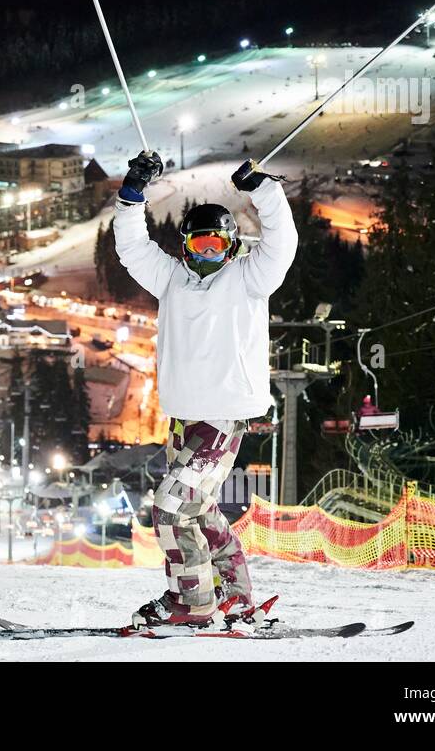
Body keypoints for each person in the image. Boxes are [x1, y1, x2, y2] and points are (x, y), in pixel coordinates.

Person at [114, 151, 297, 628]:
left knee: (171, 509)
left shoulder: (250, 278)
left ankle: (192, 602)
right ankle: (236, 597)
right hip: (183, 416)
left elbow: (282, 244)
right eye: (200, 244)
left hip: (222, 416)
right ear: (186, 247)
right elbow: (132, 248)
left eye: (218, 244)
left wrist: (263, 190)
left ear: (233, 245)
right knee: (200, 509)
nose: (208, 252)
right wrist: (133, 194)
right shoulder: (172, 279)